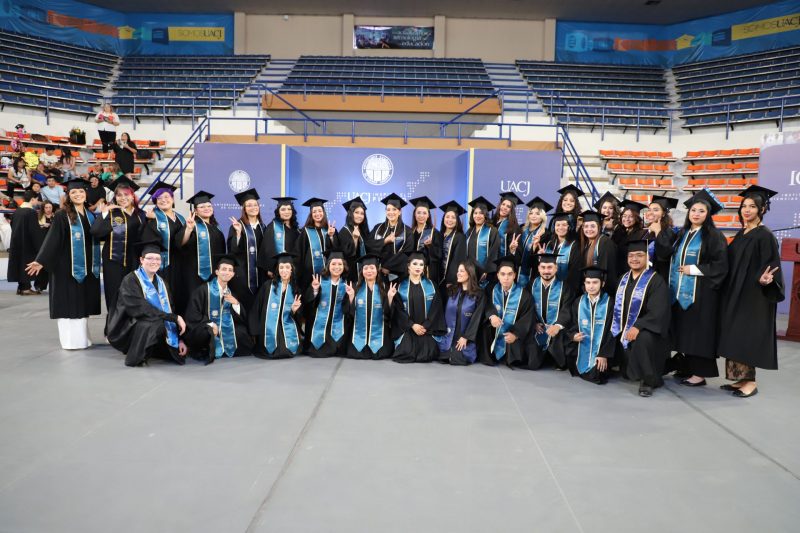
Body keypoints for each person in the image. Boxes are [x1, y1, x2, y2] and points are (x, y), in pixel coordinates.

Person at [717, 185, 784, 398]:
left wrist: (766, 280)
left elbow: (771, 267)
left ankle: (751, 382)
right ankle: (741, 378)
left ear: (762, 209)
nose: (747, 210)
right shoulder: (743, 233)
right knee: (735, 334)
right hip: (736, 293)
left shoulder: (765, 236)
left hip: (753, 296)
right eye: (744, 206)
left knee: (747, 335)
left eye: (752, 206)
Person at [25, 178, 102, 350]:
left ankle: (83, 339)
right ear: (68, 196)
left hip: (85, 267)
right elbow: (52, 239)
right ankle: (71, 341)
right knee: (69, 302)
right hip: (65, 267)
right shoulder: (62, 215)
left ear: (86, 193)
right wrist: (41, 260)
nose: (78, 194)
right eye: (74, 192)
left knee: (81, 302)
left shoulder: (90, 215)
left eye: (81, 191)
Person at [664, 190, 729, 386]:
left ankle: (699, 374)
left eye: (701, 211)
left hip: (702, 293)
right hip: (679, 292)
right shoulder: (683, 234)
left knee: (699, 334)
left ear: (708, 214)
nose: (696, 214)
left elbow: (721, 265)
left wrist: (693, 269)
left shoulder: (714, 236)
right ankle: (686, 367)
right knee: (685, 332)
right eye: (693, 210)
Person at [106, 239, 188, 367]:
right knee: (153, 323)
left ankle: (154, 349)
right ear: (141, 260)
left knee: (159, 323)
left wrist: (179, 340)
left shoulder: (162, 283)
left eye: (157, 259)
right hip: (129, 325)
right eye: (149, 258)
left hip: (152, 322)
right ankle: (137, 356)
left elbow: (169, 309)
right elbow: (141, 309)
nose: (154, 262)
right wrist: (174, 317)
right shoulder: (130, 280)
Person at [611, 239, 671, 397]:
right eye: (631, 256)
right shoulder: (623, 279)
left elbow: (658, 311)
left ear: (647, 257)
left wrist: (638, 326)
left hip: (648, 329)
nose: (634, 259)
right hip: (624, 327)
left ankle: (649, 380)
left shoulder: (656, 280)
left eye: (639, 255)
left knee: (644, 338)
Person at [91, 176, 145, 329]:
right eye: (119, 195)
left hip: (134, 261)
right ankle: (113, 330)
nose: (122, 198)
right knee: (114, 294)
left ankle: (132, 328)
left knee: (134, 294)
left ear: (132, 196)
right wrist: (103, 214)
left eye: (126, 194)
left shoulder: (141, 215)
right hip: (113, 261)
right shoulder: (111, 213)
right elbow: (96, 232)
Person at [183, 254, 254, 364]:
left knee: (242, 332)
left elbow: (240, 318)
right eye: (224, 269)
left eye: (230, 270)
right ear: (217, 272)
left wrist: (236, 304)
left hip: (225, 327)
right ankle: (206, 349)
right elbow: (192, 314)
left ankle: (226, 349)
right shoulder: (203, 290)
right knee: (207, 332)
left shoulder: (231, 293)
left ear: (233, 274)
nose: (227, 272)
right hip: (206, 326)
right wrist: (211, 324)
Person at [391, 251, 446, 363]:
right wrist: (412, 325)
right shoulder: (400, 286)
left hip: (426, 329)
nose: (418, 267)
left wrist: (425, 325)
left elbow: (436, 309)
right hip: (408, 329)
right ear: (408, 266)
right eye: (415, 264)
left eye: (421, 264)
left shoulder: (431, 286)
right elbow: (399, 310)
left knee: (427, 355)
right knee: (405, 353)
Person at [176, 190, 226, 313]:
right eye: (202, 206)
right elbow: (181, 243)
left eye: (209, 206)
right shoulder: (192, 225)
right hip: (194, 272)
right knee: (195, 300)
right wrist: (188, 229)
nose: (206, 208)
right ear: (196, 211)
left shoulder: (216, 227)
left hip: (213, 271)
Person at [479, 255, 533, 367]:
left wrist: (516, 334)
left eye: (509, 274)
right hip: (494, 331)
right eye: (502, 274)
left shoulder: (524, 295)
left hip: (512, 333)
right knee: (485, 328)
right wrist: (491, 315)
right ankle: (490, 355)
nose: (506, 278)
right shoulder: (490, 289)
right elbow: (485, 304)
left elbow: (527, 318)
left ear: (514, 275)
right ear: (498, 275)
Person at [142, 180, 187, 314]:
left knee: (178, 294)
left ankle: (178, 322)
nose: (163, 200)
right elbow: (148, 240)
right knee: (163, 295)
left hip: (179, 263)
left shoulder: (180, 218)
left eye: (166, 197)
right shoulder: (152, 217)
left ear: (172, 199)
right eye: (159, 198)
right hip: (161, 264)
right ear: (155, 202)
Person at [566, 267, 616, 384]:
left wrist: (604, 353)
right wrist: (573, 335)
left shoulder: (610, 303)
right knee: (572, 364)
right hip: (581, 347)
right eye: (588, 282)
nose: (591, 286)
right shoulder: (578, 302)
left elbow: (613, 331)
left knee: (597, 375)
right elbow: (572, 324)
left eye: (595, 282)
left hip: (601, 351)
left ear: (602, 284)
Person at [250, 252, 303, 359]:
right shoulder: (268, 286)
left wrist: (294, 310)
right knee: (275, 351)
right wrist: (255, 331)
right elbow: (257, 308)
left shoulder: (295, 289)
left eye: (287, 267)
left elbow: (299, 315)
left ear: (291, 269)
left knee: (285, 351)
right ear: (277, 270)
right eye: (281, 267)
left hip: (287, 324)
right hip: (268, 325)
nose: (284, 270)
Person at [527, 253, 575, 370]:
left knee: (559, 346)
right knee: (532, 363)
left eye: (550, 267)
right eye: (543, 267)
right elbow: (527, 308)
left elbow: (567, 309)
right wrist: (533, 323)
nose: (546, 271)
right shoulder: (532, 285)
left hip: (557, 329)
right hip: (538, 328)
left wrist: (558, 325)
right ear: (538, 268)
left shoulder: (565, 287)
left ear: (556, 268)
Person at [345, 254, 394, 359]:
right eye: (366, 268)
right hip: (358, 332)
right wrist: (351, 296)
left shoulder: (385, 288)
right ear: (362, 271)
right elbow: (349, 313)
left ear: (377, 270)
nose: (369, 271)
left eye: (372, 268)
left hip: (380, 333)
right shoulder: (354, 287)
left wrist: (390, 298)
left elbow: (389, 314)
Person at [438, 260, 486, 365]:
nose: (458, 273)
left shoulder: (479, 294)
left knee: (458, 357)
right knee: (443, 355)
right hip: (449, 335)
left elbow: (476, 319)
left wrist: (466, 337)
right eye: (458, 271)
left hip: (465, 337)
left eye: (462, 271)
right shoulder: (452, 291)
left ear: (470, 273)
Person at [305, 251, 351, 357]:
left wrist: (351, 296)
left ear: (344, 266)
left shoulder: (347, 284)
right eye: (333, 264)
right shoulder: (319, 281)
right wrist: (315, 290)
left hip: (338, 324)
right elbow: (309, 305)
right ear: (328, 266)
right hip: (319, 324)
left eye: (340, 264)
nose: (337, 267)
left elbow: (348, 309)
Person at [226, 188, 266, 311]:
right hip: (243, 275)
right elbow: (233, 250)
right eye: (249, 205)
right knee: (244, 304)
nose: (253, 207)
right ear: (244, 209)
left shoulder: (263, 227)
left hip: (261, 273)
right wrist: (238, 233)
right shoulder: (237, 225)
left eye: (255, 205)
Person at [367, 193, 413, 281]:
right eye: (388, 209)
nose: (391, 212)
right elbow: (369, 244)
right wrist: (384, 241)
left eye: (394, 209)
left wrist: (387, 267)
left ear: (399, 212)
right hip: (377, 272)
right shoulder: (378, 228)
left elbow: (407, 252)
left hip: (398, 275)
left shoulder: (407, 231)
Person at [7, 190, 44, 295]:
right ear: (32, 199)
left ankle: (21, 287)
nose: (37, 201)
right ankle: (26, 288)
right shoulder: (31, 212)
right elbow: (34, 230)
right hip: (27, 243)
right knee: (27, 263)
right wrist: (40, 244)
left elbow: (12, 225)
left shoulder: (17, 211)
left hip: (16, 241)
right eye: (36, 199)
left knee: (20, 263)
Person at [258, 196, 300, 279]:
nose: (286, 212)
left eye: (289, 209)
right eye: (283, 209)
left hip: (294, 269)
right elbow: (267, 249)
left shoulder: (296, 229)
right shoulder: (273, 227)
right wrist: (270, 268)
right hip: (278, 270)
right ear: (278, 212)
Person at [513, 197, 551, 287]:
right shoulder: (522, 229)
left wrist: (534, 248)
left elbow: (541, 259)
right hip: (516, 271)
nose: (533, 216)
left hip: (533, 273)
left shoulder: (546, 234)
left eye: (537, 214)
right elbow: (516, 252)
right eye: (531, 213)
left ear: (542, 216)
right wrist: (513, 250)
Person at [579, 210, 618, 293]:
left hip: (602, 292)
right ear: (582, 228)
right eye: (586, 226)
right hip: (590, 290)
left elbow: (608, 272)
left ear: (599, 227)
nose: (589, 229)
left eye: (593, 226)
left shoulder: (605, 243)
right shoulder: (586, 244)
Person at [465, 196, 500, 287]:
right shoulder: (469, 232)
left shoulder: (492, 231)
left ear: (485, 215)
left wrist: (487, 271)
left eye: (481, 213)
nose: (477, 216)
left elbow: (494, 252)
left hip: (486, 275)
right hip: (470, 273)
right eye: (475, 213)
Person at [544, 212, 583, 294]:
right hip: (549, 289)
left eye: (564, 225)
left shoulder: (574, 246)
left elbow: (574, 273)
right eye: (557, 225)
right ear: (554, 227)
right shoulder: (549, 244)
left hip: (566, 290)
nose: (560, 227)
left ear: (569, 227)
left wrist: (566, 292)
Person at [409, 196, 442, 283]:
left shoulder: (434, 233)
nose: (421, 216)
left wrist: (430, 246)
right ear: (415, 214)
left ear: (428, 215)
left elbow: (439, 255)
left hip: (428, 272)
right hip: (410, 272)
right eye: (418, 213)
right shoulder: (409, 232)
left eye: (424, 213)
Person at [437, 200, 467, 293]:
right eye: (447, 217)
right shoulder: (438, 235)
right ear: (443, 218)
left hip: (449, 281)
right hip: (437, 277)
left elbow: (457, 260)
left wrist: (451, 280)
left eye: (453, 217)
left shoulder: (460, 237)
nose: (449, 220)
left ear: (457, 220)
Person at [338, 197, 369, 284]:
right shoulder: (344, 232)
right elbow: (348, 254)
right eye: (356, 212)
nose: (359, 216)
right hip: (351, 273)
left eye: (362, 213)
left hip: (365, 272)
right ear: (350, 213)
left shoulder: (363, 231)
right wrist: (355, 238)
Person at [612, 200, 647, 277]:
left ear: (636, 218)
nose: (627, 219)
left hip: (631, 272)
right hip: (617, 271)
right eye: (624, 216)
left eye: (631, 216)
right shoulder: (618, 232)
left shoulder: (641, 234)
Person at [647, 195, 679, 280]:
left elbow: (664, 254)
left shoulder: (669, 232)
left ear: (664, 213)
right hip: (648, 275)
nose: (650, 212)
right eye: (649, 209)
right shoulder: (648, 230)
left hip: (661, 276)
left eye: (656, 210)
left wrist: (658, 231)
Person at [492, 191, 523, 257]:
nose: (504, 208)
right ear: (500, 205)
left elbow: (518, 252)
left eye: (508, 206)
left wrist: (512, 251)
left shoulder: (514, 227)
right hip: (490, 260)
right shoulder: (492, 222)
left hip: (504, 261)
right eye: (503, 204)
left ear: (511, 210)